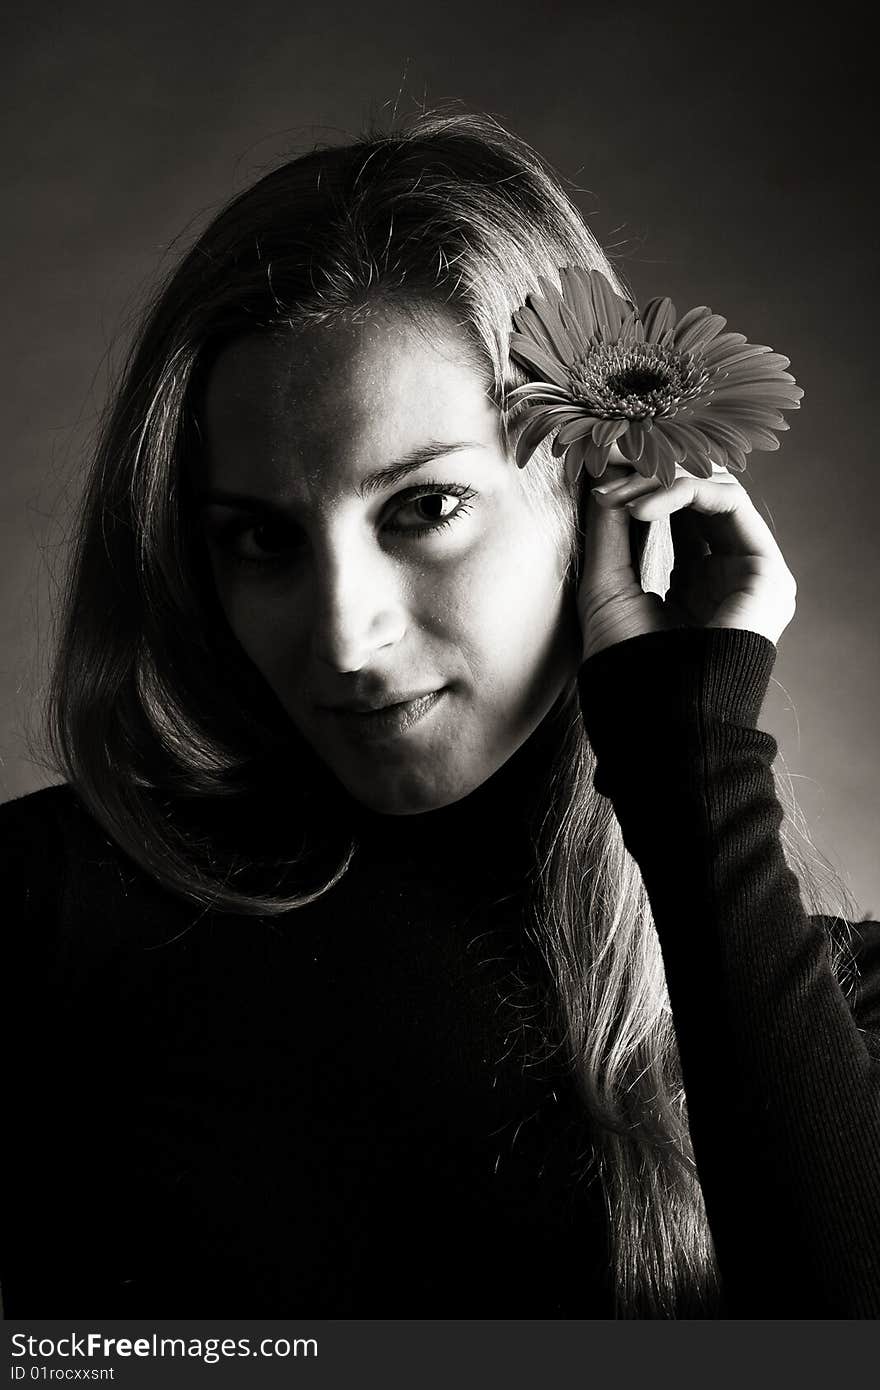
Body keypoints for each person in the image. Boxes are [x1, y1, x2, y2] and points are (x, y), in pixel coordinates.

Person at [2, 109, 879, 1321]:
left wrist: (696, 769)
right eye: (263, 539)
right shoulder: (44, 915)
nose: (346, 637)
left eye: (423, 508)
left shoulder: (817, 1009)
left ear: (600, 485)